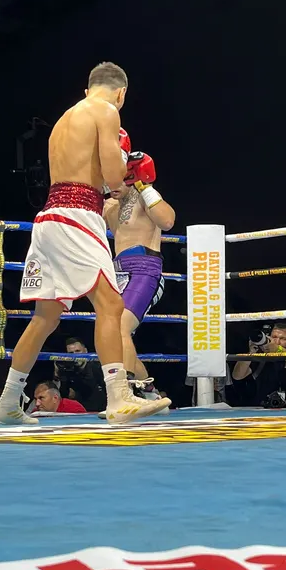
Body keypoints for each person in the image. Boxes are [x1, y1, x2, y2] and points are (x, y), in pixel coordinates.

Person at [0, 62, 170, 426]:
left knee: (46, 317)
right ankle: (119, 397)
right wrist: (123, 170)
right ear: (121, 93)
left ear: (88, 89)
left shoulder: (64, 120)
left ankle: (7, 402)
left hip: (49, 217)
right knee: (111, 304)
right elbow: (113, 178)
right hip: (78, 215)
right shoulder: (105, 111)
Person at [103, 162, 175, 397]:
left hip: (145, 269)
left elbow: (168, 221)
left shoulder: (144, 195)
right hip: (117, 273)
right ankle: (151, 394)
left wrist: (145, 186)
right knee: (115, 336)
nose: (113, 184)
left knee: (119, 328)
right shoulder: (108, 205)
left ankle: (123, 394)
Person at [232, 323, 286, 406]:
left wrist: (278, 350)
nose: (277, 342)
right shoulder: (260, 354)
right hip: (262, 405)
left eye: (283, 339)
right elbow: (237, 376)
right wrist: (250, 354)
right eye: (274, 337)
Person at [54, 337, 106, 411]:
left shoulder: (97, 367)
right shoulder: (67, 370)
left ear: (85, 351)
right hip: (78, 411)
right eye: (71, 353)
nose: (75, 356)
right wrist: (58, 375)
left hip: (99, 410)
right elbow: (64, 395)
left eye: (78, 351)